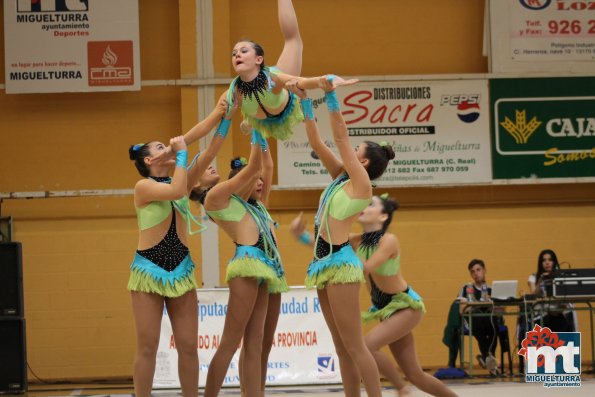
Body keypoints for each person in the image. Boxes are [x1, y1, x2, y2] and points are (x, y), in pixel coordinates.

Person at [285, 79, 393, 397]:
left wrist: (331, 95)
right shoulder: (341, 177)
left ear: (364, 162)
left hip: (342, 262)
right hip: (321, 264)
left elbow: (340, 136)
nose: (350, 148)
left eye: (356, 151)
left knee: (355, 345)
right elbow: (319, 143)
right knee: (341, 347)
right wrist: (305, 101)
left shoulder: (361, 183)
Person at [127, 101, 228, 397]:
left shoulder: (181, 178)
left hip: (181, 271)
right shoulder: (142, 187)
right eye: (159, 148)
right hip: (149, 271)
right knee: (148, 346)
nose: (166, 149)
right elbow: (174, 191)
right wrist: (181, 154)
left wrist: (224, 115)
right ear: (148, 161)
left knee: (188, 346)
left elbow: (208, 150)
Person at [191, 130, 285, 397]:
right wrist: (256, 125)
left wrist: (262, 133)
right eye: (201, 166)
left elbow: (265, 167)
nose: (209, 164)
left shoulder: (251, 204)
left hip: (267, 268)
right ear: (194, 185)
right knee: (230, 343)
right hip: (247, 263)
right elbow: (256, 168)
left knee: (255, 343)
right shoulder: (214, 198)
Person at [354, 194, 457, 397]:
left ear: (383, 217)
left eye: (371, 204)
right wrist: (302, 235)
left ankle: (401, 387)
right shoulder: (359, 240)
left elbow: (366, 267)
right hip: (386, 310)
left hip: (405, 307)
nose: (364, 206)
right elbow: (326, 244)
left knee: (366, 346)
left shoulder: (389, 240)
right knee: (416, 374)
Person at [224, 0, 357, 141]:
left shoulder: (273, 79)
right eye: (233, 53)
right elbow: (210, 121)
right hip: (258, 113)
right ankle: (250, 120)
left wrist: (328, 79)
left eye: (243, 51)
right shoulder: (234, 91)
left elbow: (302, 82)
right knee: (250, 112)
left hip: (283, 90)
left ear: (259, 59)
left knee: (293, 39)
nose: (237, 54)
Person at [227, 148, 289, 396]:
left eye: (261, 179)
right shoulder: (238, 209)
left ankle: (257, 389)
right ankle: (249, 392)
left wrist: (259, 132)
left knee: (264, 343)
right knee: (252, 342)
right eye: (255, 179)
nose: (261, 182)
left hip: (274, 275)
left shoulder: (262, 206)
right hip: (253, 272)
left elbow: (269, 165)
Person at [457, 259, 499, 376]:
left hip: (489, 321)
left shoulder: (492, 289)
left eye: (478, 270)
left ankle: (487, 360)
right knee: (479, 324)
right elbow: (462, 310)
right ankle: (490, 362)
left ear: (484, 270)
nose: (476, 273)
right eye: (473, 271)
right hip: (472, 320)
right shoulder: (466, 288)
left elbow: (501, 310)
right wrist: (476, 305)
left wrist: (492, 305)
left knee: (494, 326)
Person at [529, 249, 574, 332]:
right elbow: (534, 296)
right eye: (544, 260)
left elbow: (566, 299)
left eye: (550, 260)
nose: (547, 263)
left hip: (558, 314)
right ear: (540, 263)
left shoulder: (561, 277)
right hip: (541, 316)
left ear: (554, 262)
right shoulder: (534, 277)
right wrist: (541, 280)